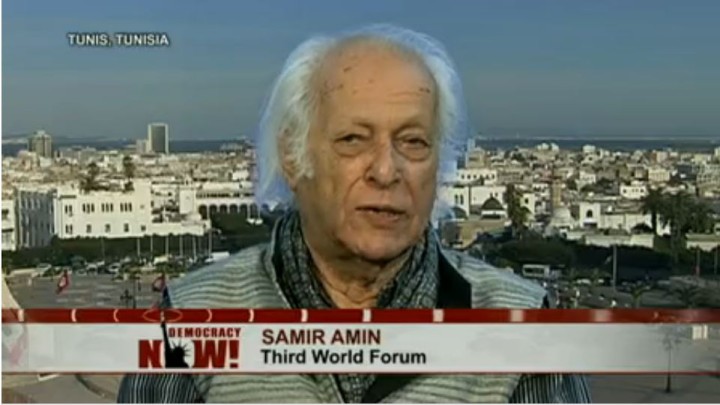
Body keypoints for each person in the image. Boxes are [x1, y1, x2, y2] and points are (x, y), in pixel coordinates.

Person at [118, 24, 591, 403]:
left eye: (413, 142)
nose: (386, 170)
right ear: (293, 157)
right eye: (352, 140)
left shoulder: (523, 326)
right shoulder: (188, 317)